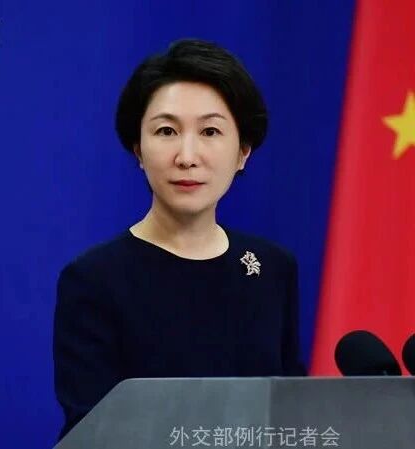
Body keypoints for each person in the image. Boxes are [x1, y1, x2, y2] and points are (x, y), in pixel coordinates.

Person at [53, 38, 306, 441]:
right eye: (167, 131)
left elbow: (289, 414)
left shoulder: (272, 268)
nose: (187, 156)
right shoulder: (94, 280)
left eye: (210, 131)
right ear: (138, 149)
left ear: (243, 152)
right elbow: (92, 431)